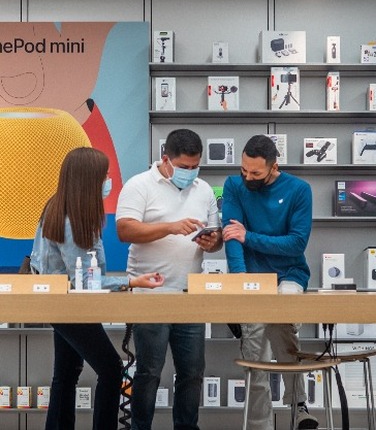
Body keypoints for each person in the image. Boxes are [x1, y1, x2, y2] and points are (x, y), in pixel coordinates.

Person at [29, 147, 163, 430]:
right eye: (104, 176)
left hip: (59, 304)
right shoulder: (73, 220)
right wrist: (131, 282)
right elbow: (85, 281)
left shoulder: (57, 207)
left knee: (66, 372)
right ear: (88, 179)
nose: (108, 181)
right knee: (111, 368)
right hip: (70, 306)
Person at [116, 129, 222, 430]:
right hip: (151, 294)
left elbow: (216, 241)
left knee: (192, 372)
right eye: (184, 166)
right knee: (149, 371)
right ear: (166, 159)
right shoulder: (139, 185)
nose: (190, 172)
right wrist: (169, 227)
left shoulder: (203, 190)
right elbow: (125, 230)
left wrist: (211, 242)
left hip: (190, 294)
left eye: (195, 166)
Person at [221, 135, 316, 430]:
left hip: (289, 274)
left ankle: (298, 406)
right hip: (251, 276)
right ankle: (259, 424)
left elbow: (296, 244)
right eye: (244, 170)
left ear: (274, 166)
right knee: (255, 350)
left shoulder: (299, 190)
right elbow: (231, 238)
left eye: (256, 173)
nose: (248, 177)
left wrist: (250, 237)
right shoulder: (233, 185)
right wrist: (240, 281)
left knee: (283, 327)